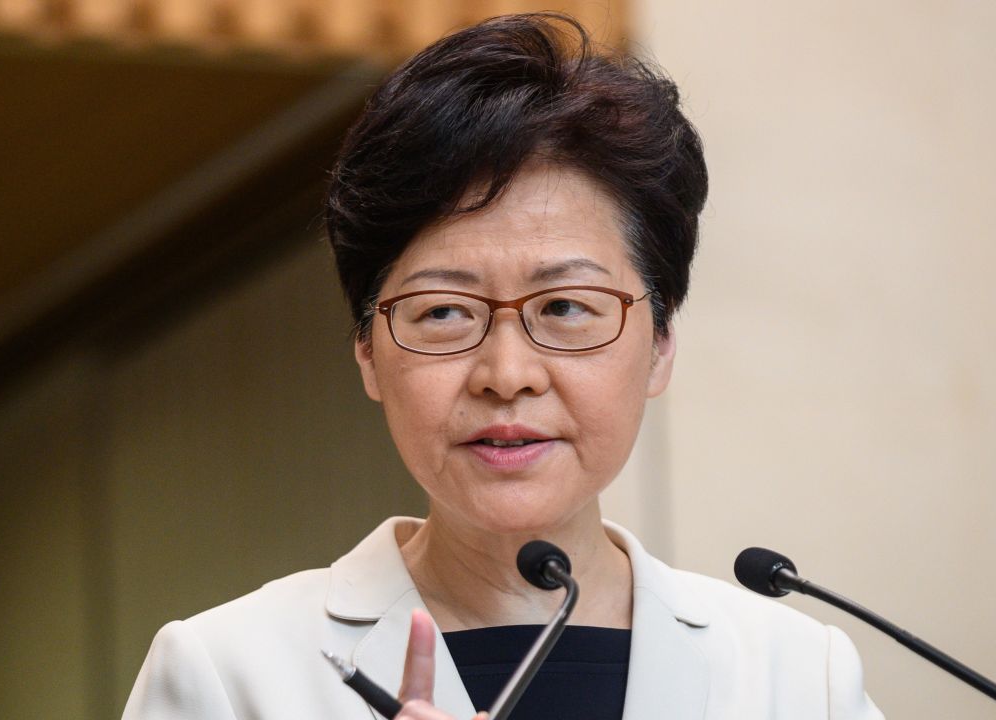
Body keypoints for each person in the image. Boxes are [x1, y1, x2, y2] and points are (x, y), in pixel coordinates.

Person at [123, 12, 883, 720]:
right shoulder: (231, 674)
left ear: (659, 345)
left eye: (565, 307)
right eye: (445, 313)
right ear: (367, 352)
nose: (506, 372)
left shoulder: (794, 678)